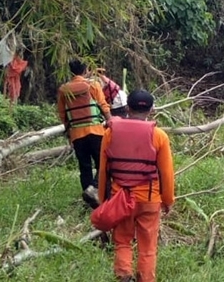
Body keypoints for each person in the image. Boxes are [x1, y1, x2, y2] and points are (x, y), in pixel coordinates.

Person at [98, 90, 175, 282]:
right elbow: (166, 174)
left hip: (120, 198)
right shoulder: (159, 136)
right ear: (152, 110)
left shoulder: (109, 133)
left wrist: (103, 201)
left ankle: (124, 275)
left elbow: (103, 172)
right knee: (148, 247)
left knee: (122, 241)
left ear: (126, 108)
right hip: (149, 199)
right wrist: (168, 200)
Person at [57, 59, 111, 208]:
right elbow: (103, 105)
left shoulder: (64, 90)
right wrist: (111, 122)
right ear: (86, 70)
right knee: (103, 163)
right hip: (96, 131)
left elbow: (62, 114)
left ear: (70, 71)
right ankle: (95, 189)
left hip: (77, 134)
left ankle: (89, 198)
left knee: (84, 166)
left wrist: (68, 132)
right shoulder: (92, 85)